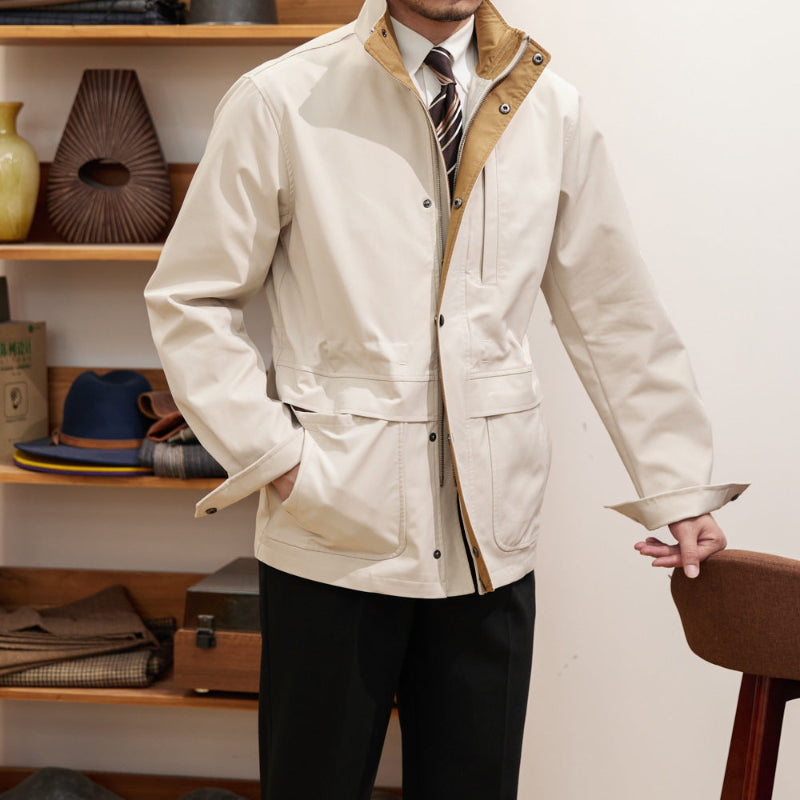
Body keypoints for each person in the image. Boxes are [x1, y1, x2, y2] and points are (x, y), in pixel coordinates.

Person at [145, 0, 747, 797]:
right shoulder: (282, 99)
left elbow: (614, 313)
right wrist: (279, 461)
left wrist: (678, 483)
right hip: (333, 531)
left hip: (488, 540)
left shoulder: (550, 108)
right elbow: (191, 300)